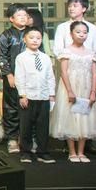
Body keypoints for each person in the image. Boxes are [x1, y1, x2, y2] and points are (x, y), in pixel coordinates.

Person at [52, 21, 96, 163]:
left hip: (86, 88)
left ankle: (81, 152)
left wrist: (93, 92)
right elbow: (63, 72)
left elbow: (94, 74)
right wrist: (69, 91)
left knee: (85, 118)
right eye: (78, 32)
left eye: (84, 32)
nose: (81, 35)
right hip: (69, 87)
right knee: (70, 117)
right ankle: (72, 152)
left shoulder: (91, 53)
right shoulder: (66, 51)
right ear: (71, 34)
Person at [14, 28, 56, 164]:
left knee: (43, 126)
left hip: (43, 96)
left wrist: (52, 95)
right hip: (28, 96)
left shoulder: (45, 58)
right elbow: (19, 77)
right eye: (31, 37)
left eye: (38, 38)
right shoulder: (21, 58)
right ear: (24, 39)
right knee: (26, 126)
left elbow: (50, 77)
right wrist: (22, 95)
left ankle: (42, 152)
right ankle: (25, 152)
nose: (35, 40)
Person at [0, 3, 29, 155]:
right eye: (19, 15)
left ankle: (27, 138)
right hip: (12, 77)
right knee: (11, 108)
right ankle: (12, 139)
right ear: (11, 18)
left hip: (30, 78)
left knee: (29, 107)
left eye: (25, 15)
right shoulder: (6, 35)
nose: (23, 18)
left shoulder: (33, 33)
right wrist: (8, 74)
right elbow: (2, 57)